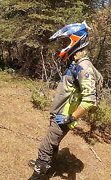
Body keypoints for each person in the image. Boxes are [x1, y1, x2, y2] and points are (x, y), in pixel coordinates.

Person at [28, 21, 103, 179]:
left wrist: (71, 117)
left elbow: (90, 99)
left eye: (65, 41)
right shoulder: (76, 62)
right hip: (59, 112)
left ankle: (39, 174)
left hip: (65, 116)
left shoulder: (85, 67)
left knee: (45, 146)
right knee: (53, 142)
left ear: (76, 41)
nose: (63, 45)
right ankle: (47, 166)